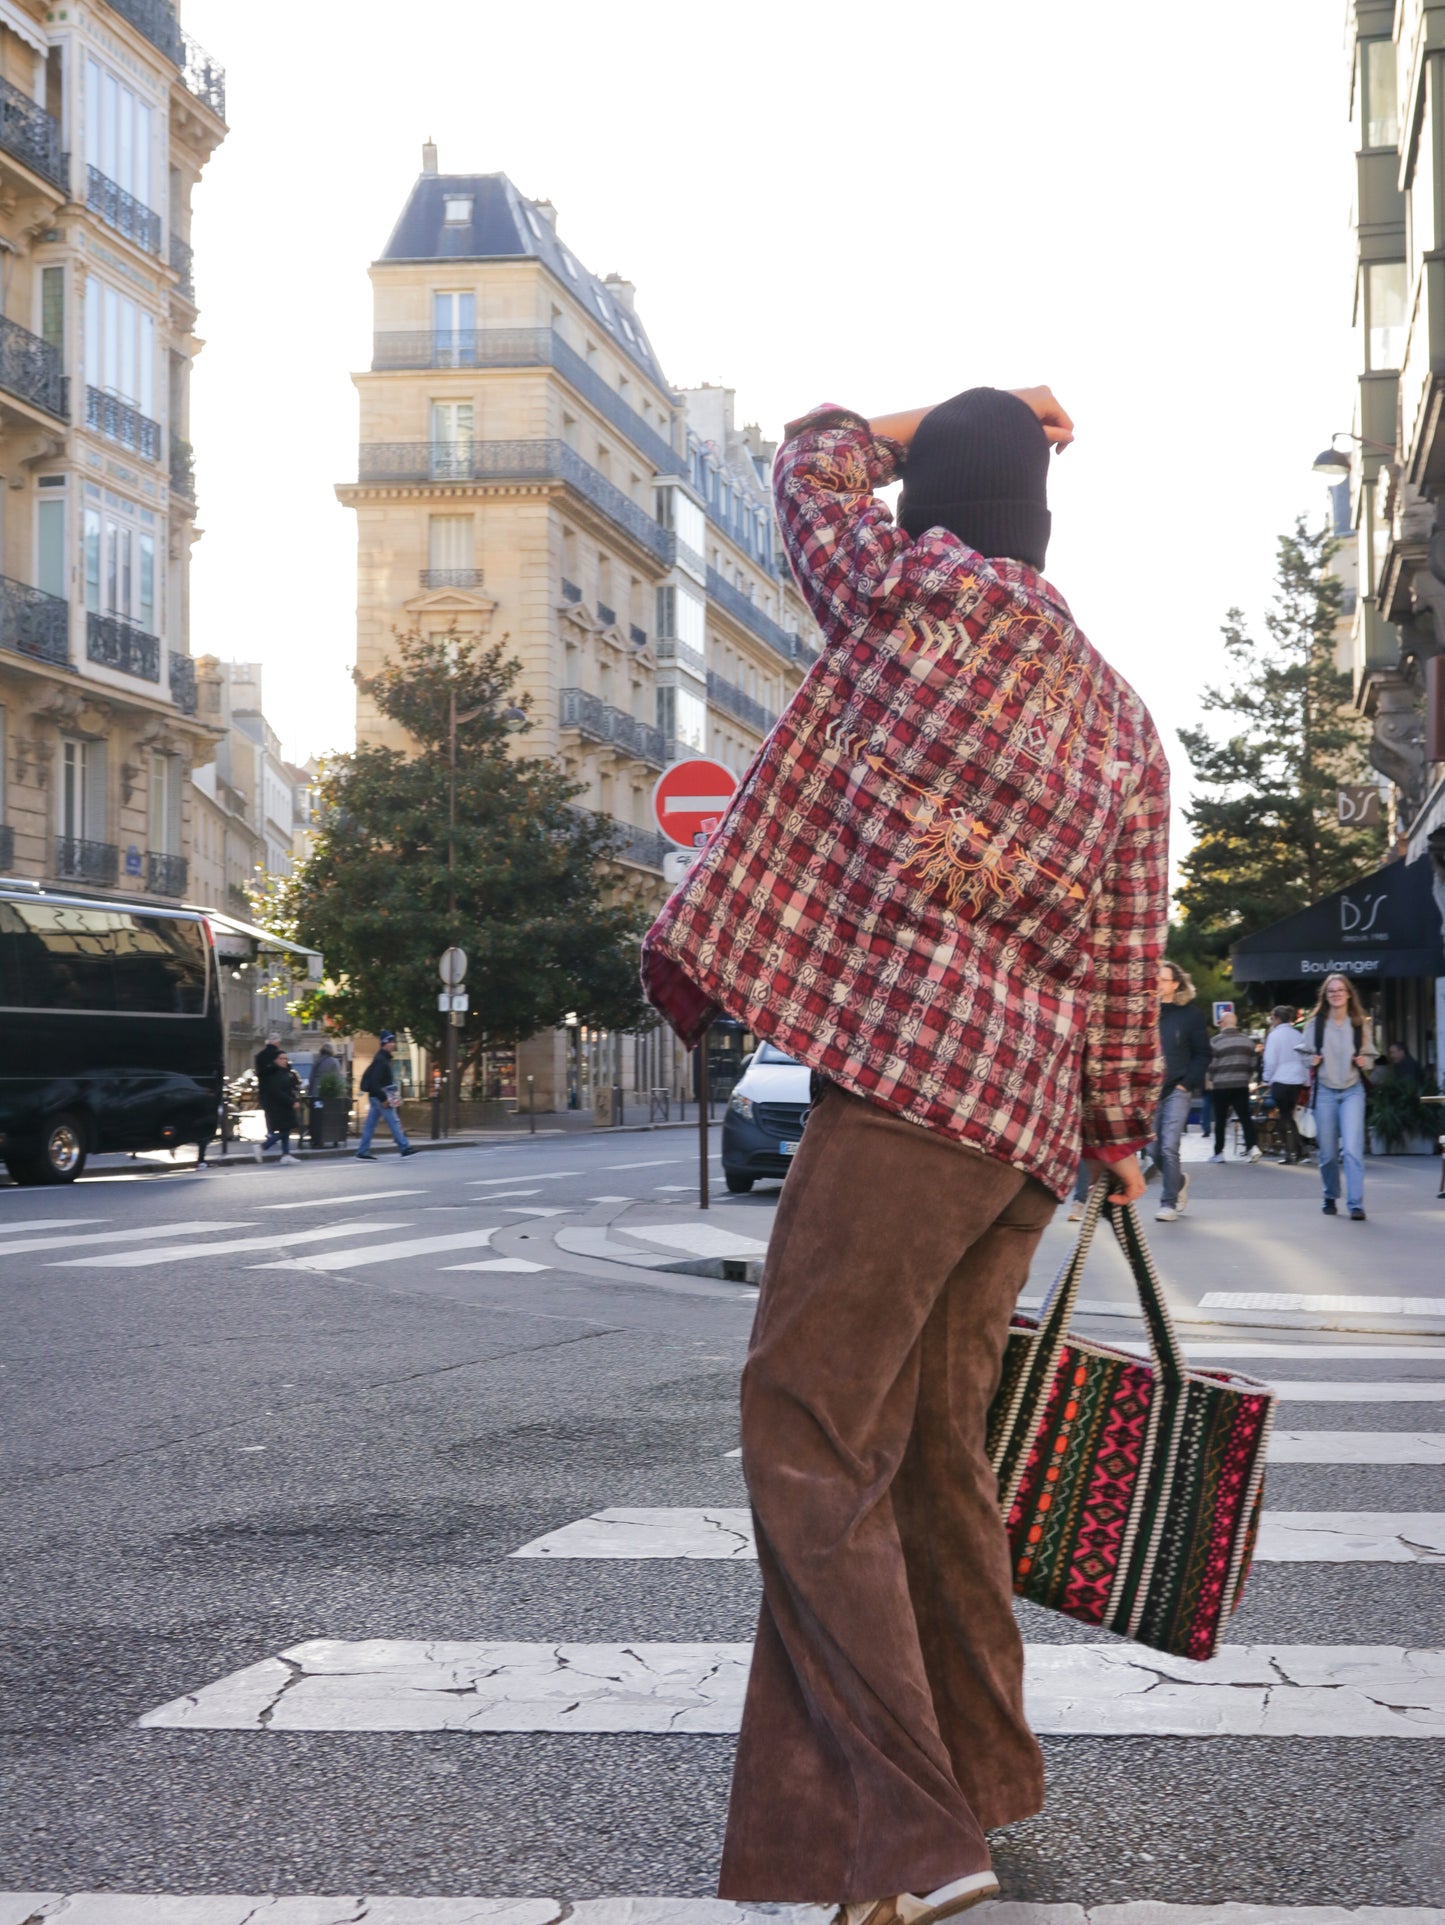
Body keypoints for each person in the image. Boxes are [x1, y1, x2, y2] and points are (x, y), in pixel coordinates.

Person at [641, 385, 1169, 1922]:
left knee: (806, 1426)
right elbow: (1128, 954)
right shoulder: (1121, 713)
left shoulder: (897, 592)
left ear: (934, 505)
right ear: (1042, 526)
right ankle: (984, 1780)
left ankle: (913, 1835)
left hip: (902, 1094)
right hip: (1022, 1127)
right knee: (940, 1460)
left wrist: (910, 410)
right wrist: (1118, 1133)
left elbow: (806, 462)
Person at [1305, 972, 1376, 1220]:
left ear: (1348, 994)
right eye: (1331, 991)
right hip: (1324, 1090)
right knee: (1328, 1154)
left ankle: (1355, 1203)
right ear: (1325, 996)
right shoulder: (1316, 1024)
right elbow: (1304, 1053)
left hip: (1352, 1090)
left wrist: (1363, 1060)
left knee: (1353, 1150)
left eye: (1340, 990)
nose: (1335, 994)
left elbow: (1371, 1057)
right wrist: (1310, 1060)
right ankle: (1330, 1193)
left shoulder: (1359, 1023)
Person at [1152, 960, 1210, 1222]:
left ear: (1175, 984)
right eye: (1156, 979)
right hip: (1149, 1091)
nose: (1158, 983)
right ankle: (1179, 1181)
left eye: (1163, 979)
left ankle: (1169, 1203)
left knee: (1168, 1146)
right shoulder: (1143, 1012)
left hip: (1177, 1088)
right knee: (1152, 1149)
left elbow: (1203, 1053)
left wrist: (1186, 1083)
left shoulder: (1190, 1015)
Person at [1207, 1011, 1262, 1164]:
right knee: (1245, 1117)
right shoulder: (1247, 1042)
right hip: (1241, 1085)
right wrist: (1246, 1077)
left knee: (1220, 1120)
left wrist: (1212, 1078)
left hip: (1221, 1085)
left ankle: (1219, 1153)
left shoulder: (1215, 1042)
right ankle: (1253, 1148)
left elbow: (1212, 1065)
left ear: (1223, 1023)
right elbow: (1253, 1064)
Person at [355, 1031, 418, 1160]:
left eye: (393, 1042)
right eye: (391, 1042)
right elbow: (375, 1081)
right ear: (384, 1043)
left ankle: (362, 1151)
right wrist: (383, 1098)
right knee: (394, 1121)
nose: (393, 1044)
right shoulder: (381, 1060)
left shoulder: (381, 1058)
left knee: (370, 1125)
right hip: (381, 1096)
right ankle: (404, 1147)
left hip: (376, 1096)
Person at [1261, 1005, 1309, 1163]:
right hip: (1297, 1079)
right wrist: (1306, 1080)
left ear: (1277, 1018)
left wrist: (1266, 1078)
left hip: (1280, 1079)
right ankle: (1299, 1150)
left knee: (1284, 1116)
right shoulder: (1297, 1035)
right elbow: (1304, 1057)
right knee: (1289, 1115)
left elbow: (1270, 1060)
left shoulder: (1274, 1036)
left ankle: (1292, 1152)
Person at [254, 1048, 300, 1164]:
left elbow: (290, 1087)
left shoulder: (285, 1072)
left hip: (284, 1105)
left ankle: (286, 1154)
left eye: (285, 1058)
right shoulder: (275, 1073)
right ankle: (262, 1147)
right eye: (281, 1058)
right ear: (275, 1060)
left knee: (286, 1129)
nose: (284, 1061)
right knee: (283, 1131)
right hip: (279, 1106)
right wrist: (291, 1101)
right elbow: (277, 1092)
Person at [305, 1042, 339, 1148]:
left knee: (316, 1117)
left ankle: (315, 1139)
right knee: (328, 1117)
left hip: (315, 1093)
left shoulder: (317, 1060)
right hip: (327, 1094)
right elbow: (337, 1078)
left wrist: (310, 1093)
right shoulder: (334, 1061)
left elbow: (311, 1077)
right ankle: (330, 1138)